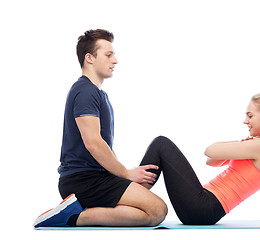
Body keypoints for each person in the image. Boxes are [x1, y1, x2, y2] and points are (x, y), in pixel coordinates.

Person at [33, 29, 167, 228]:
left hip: (97, 176)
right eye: (108, 54)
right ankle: (70, 217)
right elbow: (93, 143)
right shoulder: (85, 90)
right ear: (89, 58)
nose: (115, 60)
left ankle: (78, 211)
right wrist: (125, 173)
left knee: (157, 161)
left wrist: (124, 172)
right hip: (82, 180)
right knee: (157, 210)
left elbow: (103, 144)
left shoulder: (98, 94)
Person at [138, 93, 260, 225]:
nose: (245, 121)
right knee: (161, 144)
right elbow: (211, 161)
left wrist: (241, 143)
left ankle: (130, 193)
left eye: (250, 116)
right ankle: (131, 194)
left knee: (161, 144)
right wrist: (242, 143)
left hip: (204, 206)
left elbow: (210, 150)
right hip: (205, 206)